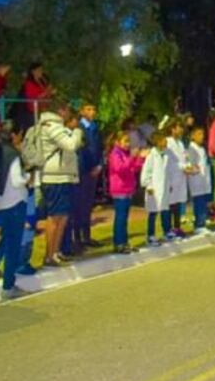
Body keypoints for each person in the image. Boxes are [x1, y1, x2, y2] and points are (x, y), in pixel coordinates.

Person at [0, 122, 31, 299]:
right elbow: (17, 180)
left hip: (0, 201)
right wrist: (29, 177)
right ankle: (8, 286)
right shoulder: (12, 154)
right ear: (14, 135)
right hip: (15, 201)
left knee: (6, 237)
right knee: (13, 245)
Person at [37, 100, 83, 267]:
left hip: (62, 175)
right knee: (55, 217)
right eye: (67, 110)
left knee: (62, 216)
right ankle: (49, 255)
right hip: (54, 176)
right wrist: (77, 131)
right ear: (60, 110)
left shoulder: (56, 126)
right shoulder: (53, 125)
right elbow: (70, 145)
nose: (69, 114)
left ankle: (55, 252)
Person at [66, 101, 102, 254]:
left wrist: (99, 164)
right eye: (88, 109)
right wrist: (86, 168)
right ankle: (77, 238)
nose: (92, 111)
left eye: (93, 108)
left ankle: (87, 236)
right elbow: (79, 150)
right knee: (78, 206)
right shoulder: (77, 128)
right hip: (81, 170)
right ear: (81, 111)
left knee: (88, 205)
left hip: (93, 170)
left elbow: (99, 148)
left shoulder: (95, 128)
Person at [107, 131, 145, 254]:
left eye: (129, 141)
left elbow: (135, 168)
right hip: (119, 189)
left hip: (128, 189)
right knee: (120, 218)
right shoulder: (115, 154)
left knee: (125, 218)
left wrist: (139, 158)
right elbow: (120, 169)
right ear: (118, 142)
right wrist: (132, 157)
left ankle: (124, 242)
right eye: (125, 141)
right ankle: (118, 243)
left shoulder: (125, 154)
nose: (128, 144)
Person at [140, 131, 173, 246]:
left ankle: (167, 231)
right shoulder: (151, 156)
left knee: (165, 210)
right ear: (158, 142)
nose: (166, 141)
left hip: (164, 186)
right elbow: (146, 173)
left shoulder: (166, 154)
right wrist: (148, 185)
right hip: (153, 189)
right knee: (153, 213)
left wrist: (170, 184)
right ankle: (150, 235)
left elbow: (168, 171)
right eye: (164, 140)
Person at [164, 117, 189, 239]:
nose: (181, 130)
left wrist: (188, 166)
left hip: (181, 176)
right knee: (171, 203)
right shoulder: (168, 142)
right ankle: (169, 229)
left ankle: (177, 227)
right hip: (172, 176)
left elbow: (184, 157)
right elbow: (170, 161)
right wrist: (183, 166)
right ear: (173, 129)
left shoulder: (180, 143)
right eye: (179, 128)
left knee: (178, 202)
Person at [184, 126, 212, 236]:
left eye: (203, 134)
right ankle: (199, 225)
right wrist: (194, 169)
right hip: (196, 180)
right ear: (193, 136)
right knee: (199, 202)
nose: (202, 136)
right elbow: (190, 163)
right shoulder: (192, 149)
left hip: (203, 179)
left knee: (203, 202)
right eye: (199, 134)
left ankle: (203, 222)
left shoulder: (201, 148)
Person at [13, 62, 52, 131]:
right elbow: (33, 98)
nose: (41, 72)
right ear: (33, 71)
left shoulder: (42, 82)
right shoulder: (29, 83)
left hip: (43, 108)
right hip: (33, 109)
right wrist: (46, 92)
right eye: (39, 70)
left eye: (41, 70)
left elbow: (45, 95)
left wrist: (50, 92)